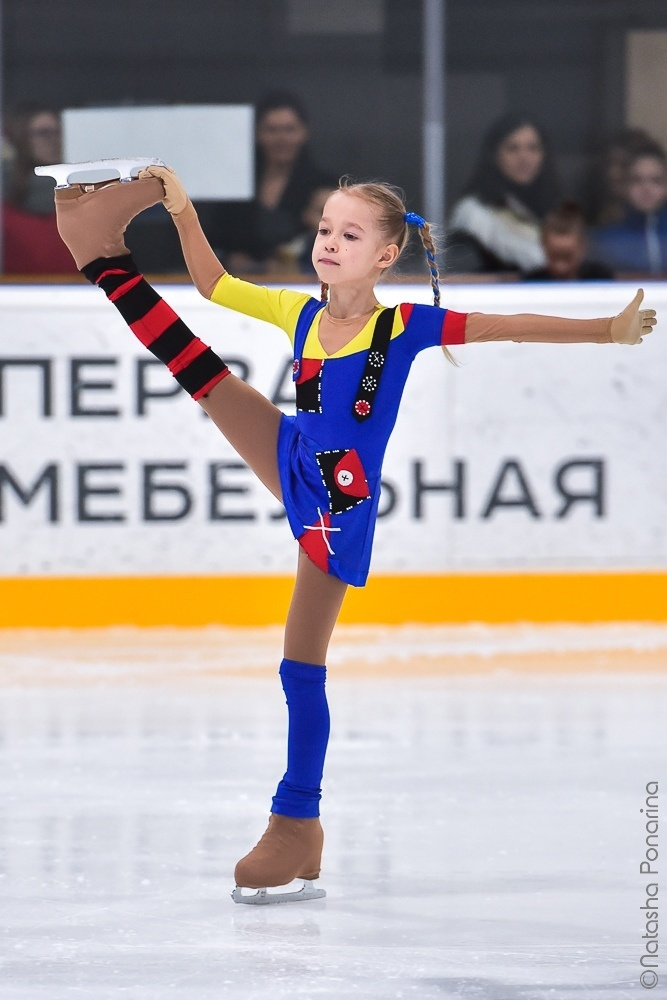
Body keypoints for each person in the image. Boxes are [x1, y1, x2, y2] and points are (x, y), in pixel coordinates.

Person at [47, 159, 656, 904]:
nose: (329, 243)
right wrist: (180, 210)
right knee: (199, 373)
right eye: (325, 229)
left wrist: (605, 329)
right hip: (292, 453)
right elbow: (211, 286)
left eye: (349, 234)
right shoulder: (300, 314)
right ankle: (103, 258)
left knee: (299, 668)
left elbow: (507, 326)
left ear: (385, 255)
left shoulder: (404, 326)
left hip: (339, 505)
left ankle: (296, 820)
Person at [198, 92, 337, 273]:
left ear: (304, 132)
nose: (281, 139)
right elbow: (213, 240)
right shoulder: (235, 187)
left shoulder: (325, 187)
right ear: (257, 133)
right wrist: (229, 259)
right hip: (238, 285)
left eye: (289, 129)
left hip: (302, 284)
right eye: (272, 130)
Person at [448, 113, 560, 274]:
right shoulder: (474, 213)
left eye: (533, 148)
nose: (524, 158)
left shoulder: (556, 208)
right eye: (513, 148)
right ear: (494, 156)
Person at [2, 105, 78, 275]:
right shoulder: (5, 197)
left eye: (58, 133)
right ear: (22, 137)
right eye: (43, 133)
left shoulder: (81, 194)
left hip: (77, 294)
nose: (53, 140)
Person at [592, 144, 667, 276]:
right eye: (637, 180)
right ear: (624, 186)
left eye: (656, 181)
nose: (646, 188)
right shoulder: (605, 241)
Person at [523, 202, 613, 282]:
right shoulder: (532, 283)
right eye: (554, 257)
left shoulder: (601, 282)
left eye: (568, 257)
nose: (560, 268)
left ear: (583, 247)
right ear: (543, 246)